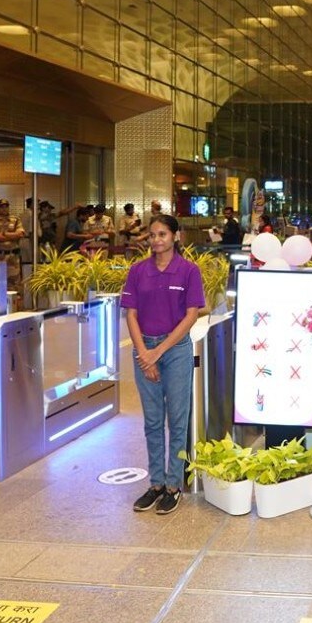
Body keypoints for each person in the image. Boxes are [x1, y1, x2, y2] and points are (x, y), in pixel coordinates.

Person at [122, 214, 206, 515]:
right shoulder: (138, 271)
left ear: (175, 236)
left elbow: (191, 315)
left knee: (177, 420)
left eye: (162, 234)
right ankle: (156, 483)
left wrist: (158, 352)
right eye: (152, 235)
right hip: (144, 349)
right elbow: (131, 314)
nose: (156, 240)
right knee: (153, 421)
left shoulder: (188, 271)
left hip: (176, 351)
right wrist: (145, 353)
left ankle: (173, 485)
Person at [0, 198, 27, 287]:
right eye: (1, 207)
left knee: (14, 285)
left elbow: (20, 234)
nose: (4, 209)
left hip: (13, 257)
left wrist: (4, 234)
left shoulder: (15, 219)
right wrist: (13, 235)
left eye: (6, 206)